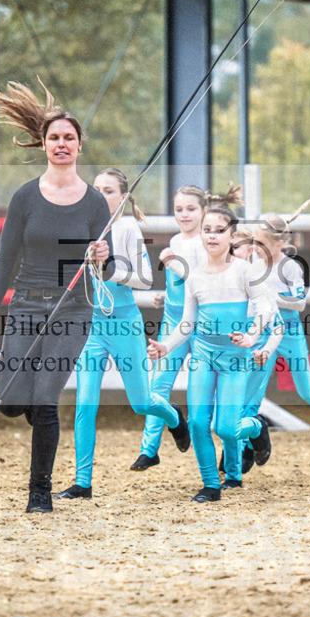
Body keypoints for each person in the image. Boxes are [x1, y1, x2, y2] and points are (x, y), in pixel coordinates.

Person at [0, 80, 112, 514]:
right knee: (15, 400)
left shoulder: (94, 204)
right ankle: (30, 412)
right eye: (54, 137)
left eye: (69, 138)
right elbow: (3, 258)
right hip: (27, 305)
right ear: (43, 144)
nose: (61, 144)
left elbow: (104, 271)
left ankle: (40, 491)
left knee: (46, 399)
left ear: (79, 146)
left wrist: (102, 257)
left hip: (73, 309)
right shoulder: (24, 198)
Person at [55, 168, 190, 501]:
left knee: (142, 403)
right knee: (85, 403)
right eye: (96, 189)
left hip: (125, 323)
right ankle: (82, 482)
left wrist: (111, 266)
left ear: (124, 198)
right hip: (92, 327)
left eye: (109, 190)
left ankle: (173, 416)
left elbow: (145, 279)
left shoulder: (127, 227)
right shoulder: (80, 227)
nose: (101, 196)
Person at [147, 204, 282, 503]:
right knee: (197, 422)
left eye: (219, 230)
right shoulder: (194, 277)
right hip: (203, 355)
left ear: (232, 236)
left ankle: (256, 428)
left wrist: (251, 337)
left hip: (235, 358)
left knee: (227, 427)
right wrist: (166, 346)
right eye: (207, 229)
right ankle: (211, 484)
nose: (211, 235)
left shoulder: (246, 272)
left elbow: (264, 310)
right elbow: (187, 323)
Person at [221, 199, 310, 487]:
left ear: (279, 244)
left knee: (306, 388)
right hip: (262, 331)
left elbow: (300, 303)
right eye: (256, 242)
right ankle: (241, 452)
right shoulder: (251, 261)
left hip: (288, 330)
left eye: (263, 243)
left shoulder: (290, 268)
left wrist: (267, 299)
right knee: (251, 393)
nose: (257, 248)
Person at [130, 184, 218, 471]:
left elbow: (204, 283)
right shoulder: (176, 241)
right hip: (172, 319)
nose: (184, 214)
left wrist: (172, 263)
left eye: (191, 209)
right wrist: (166, 295)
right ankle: (150, 448)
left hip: (203, 322)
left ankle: (231, 450)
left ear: (204, 211)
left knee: (204, 393)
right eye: (179, 209)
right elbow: (182, 285)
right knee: (158, 384)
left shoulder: (209, 242)